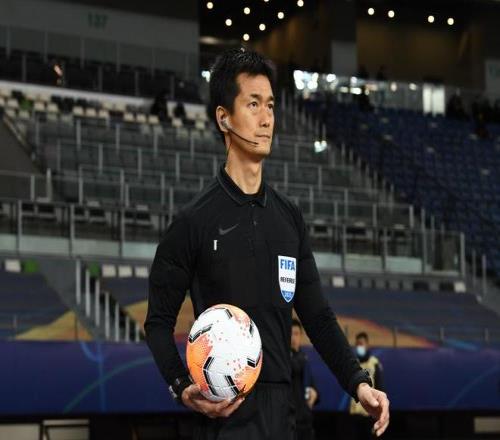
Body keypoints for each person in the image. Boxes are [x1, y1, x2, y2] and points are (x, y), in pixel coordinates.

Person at [144, 48, 390, 440]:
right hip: (224, 419)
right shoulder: (193, 221)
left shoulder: (289, 217)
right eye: (253, 104)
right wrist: (181, 385)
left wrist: (358, 382)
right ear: (223, 118)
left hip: (284, 415)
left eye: (271, 105)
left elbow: (317, 316)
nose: (266, 119)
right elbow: (158, 322)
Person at [350, 332, 385, 440]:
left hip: (370, 413)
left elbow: (380, 387)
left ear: (367, 345)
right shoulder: (354, 363)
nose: (359, 347)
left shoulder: (374, 363)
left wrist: (378, 409)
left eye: (361, 343)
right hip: (355, 413)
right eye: (357, 344)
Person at [291, 318, 319, 440]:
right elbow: (295, 367)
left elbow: (312, 386)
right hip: (289, 420)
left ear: (301, 336)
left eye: (296, 334)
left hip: (305, 420)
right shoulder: (283, 359)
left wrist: (315, 394)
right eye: (290, 334)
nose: (293, 338)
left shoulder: (304, 358)